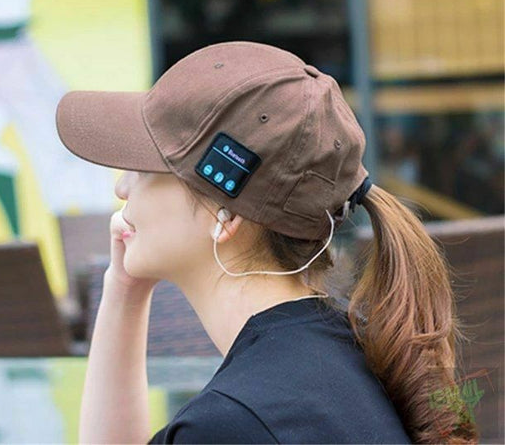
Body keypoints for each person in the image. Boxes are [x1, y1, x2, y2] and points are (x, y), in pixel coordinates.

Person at [56, 41, 478, 444]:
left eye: (146, 167)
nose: (122, 187)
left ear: (225, 215)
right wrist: (124, 289)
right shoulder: (356, 351)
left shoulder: (230, 424)